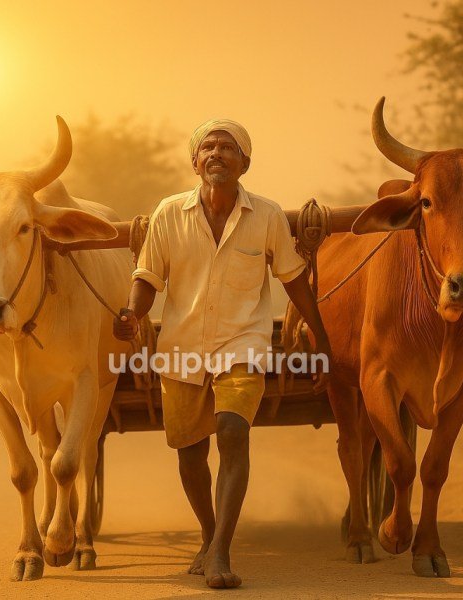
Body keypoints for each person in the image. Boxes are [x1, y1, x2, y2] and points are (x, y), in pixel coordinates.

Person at [114, 119, 331, 589]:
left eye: (228, 148)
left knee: (232, 432)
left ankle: (221, 552)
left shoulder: (269, 216)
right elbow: (147, 277)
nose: (216, 153)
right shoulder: (169, 213)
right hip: (182, 347)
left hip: (243, 345)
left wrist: (321, 338)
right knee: (190, 452)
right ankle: (209, 534)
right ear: (195, 163)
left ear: (244, 163)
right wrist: (132, 315)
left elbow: (292, 279)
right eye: (207, 147)